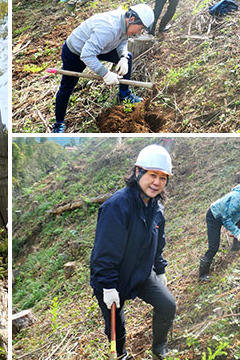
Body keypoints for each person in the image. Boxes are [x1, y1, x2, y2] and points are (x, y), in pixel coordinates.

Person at [89, 145, 176, 359]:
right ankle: (121, 355)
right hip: (112, 279)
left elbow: (158, 243)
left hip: (141, 273)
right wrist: (108, 286)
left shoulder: (157, 209)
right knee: (116, 328)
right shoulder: (117, 206)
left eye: (163, 178)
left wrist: (160, 269)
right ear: (138, 172)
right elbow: (104, 252)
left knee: (167, 305)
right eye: (152, 175)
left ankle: (159, 348)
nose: (157, 182)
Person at [51, 4, 155, 133]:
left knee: (128, 56)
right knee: (66, 87)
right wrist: (105, 74)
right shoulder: (109, 28)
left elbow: (123, 40)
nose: (138, 33)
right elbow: (87, 55)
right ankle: (59, 123)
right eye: (139, 29)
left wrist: (123, 57)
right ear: (132, 19)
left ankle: (124, 94)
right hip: (76, 52)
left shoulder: (126, 23)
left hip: (101, 47)